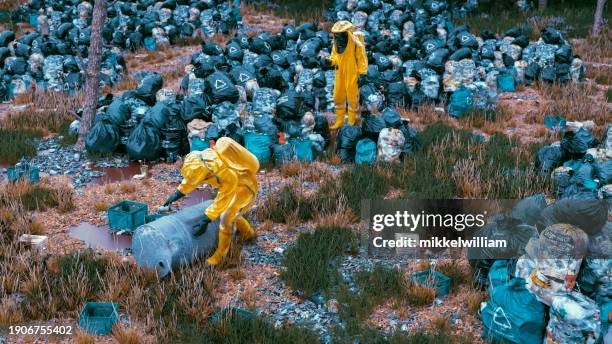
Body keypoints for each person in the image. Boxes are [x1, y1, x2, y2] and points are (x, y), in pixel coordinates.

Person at [162, 137, 259, 265]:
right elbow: (193, 177)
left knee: (226, 217)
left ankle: (220, 255)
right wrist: (177, 194)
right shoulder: (200, 160)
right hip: (231, 185)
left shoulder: (224, 173)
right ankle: (248, 234)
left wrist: (206, 219)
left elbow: (223, 198)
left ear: (208, 174)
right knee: (230, 212)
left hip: (244, 187)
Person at [328, 20, 368, 130]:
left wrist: (363, 73)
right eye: (336, 35)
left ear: (346, 33)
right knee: (337, 96)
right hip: (339, 71)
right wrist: (329, 61)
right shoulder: (336, 42)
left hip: (352, 71)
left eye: (340, 35)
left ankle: (351, 121)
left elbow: (362, 57)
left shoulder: (356, 40)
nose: (338, 37)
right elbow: (334, 56)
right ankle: (340, 120)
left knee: (352, 97)